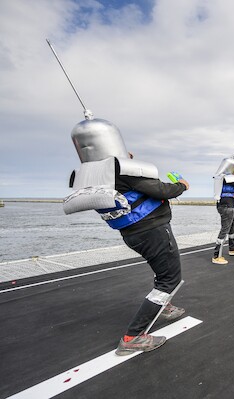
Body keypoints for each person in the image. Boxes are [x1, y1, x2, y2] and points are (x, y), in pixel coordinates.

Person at [62, 117, 189, 356]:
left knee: (160, 271)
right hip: (153, 231)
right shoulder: (124, 171)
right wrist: (182, 185)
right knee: (169, 280)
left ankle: (164, 307)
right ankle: (133, 337)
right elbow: (162, 190)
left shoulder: (92, 175)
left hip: (132, 234)